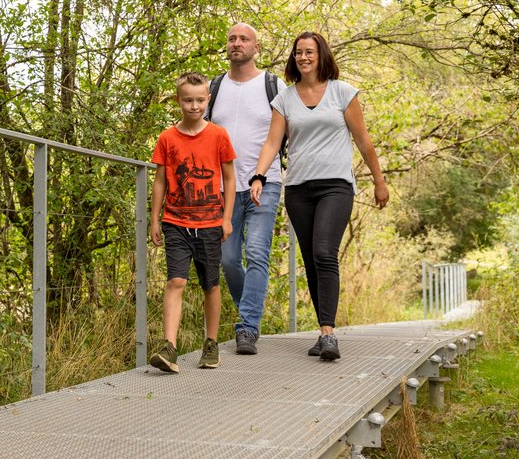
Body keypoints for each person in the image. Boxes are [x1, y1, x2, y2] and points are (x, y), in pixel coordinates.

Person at [249, 32, 389, 361]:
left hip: (335, 185)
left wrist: (379, 181)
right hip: (298, 188)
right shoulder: (285, 98)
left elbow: (363, 141)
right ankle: (322, 331)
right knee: (312, 258)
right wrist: (258, 175)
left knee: (325, 251)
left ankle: (328, 334)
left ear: (321, 55)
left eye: (309, 52)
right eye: (298, 52)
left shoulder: (342, 92)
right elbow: (272, 143)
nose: (303, 57)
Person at [149, 72, 236, 372]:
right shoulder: (167, 138)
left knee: (210, 285)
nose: (194, 106)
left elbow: (229, 177)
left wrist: (226, 219)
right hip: (175, 222)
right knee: (176, 280)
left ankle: (210, 343)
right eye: (188, 100)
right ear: (178, 100)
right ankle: (168, 347)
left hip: (210, 222)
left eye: (200, 100)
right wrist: (154, 219)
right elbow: (160, 180)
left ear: (208, 100)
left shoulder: (218, 135)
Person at [208, 23, 286, 355]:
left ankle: (248, 327)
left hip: (264, 183)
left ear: (256, 47)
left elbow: (287, 132)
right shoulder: (214, 87)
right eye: (232, 39)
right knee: (227, 260)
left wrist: (263, 174)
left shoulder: (273, 85)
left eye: (244, 39)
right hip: (224, 187)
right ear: (227, 46)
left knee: (256, 254)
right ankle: (248, 312)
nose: (237, 43)